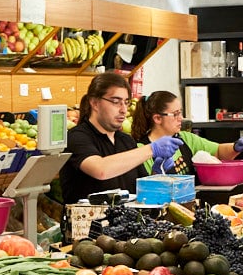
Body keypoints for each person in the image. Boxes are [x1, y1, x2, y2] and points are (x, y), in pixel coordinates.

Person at [60, 73, 181, 203]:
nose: (123, 110)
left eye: (126, 102)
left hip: (124, 221)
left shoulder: (126, 141)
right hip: (88, 222)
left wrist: (157, 175)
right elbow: (101, 170)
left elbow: (141, 190)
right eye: (116, 102)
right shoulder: (76, 137)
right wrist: (152, 149)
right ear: (95, 103)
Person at [129, 90, 243, 175]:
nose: (181, 118)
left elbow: (218, 152)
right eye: (175, 114)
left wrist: (235, 147)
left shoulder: (186, 139)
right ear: (157, 118)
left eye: (180, 112)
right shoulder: (143, 150)